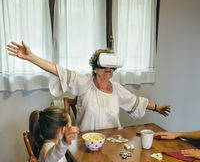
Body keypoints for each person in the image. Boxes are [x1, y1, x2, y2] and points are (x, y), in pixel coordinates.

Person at [7, 41, 171, 131]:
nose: (108, 70)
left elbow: (137, 102)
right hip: (85, 142)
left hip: (111, 142)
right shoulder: (83, 83)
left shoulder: (118, 90)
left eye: (111, 67)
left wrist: (157, 107)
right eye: (104, 66)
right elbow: (59, 71)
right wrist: (31, 57)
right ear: (95, 68)